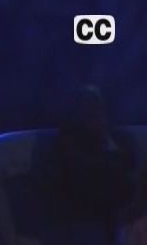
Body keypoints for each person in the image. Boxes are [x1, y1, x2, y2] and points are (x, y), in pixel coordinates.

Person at [37, 85, 137, 231]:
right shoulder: (68, 136)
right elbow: (81, 167)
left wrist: (106, 138)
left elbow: (130, 160)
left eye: (98, 105)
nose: (95, 111)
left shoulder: (116, 134)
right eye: (89, 105)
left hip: (118, 205)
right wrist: (110, 161)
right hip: (83, 207)